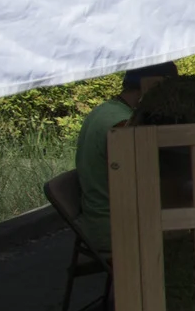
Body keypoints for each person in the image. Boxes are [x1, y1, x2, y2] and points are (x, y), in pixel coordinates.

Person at [72, 62, 177, 253]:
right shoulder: (123, 126)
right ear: (152, 87)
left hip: (99, 221)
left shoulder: (105, 110)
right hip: (116, 228)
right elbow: (146, 181)